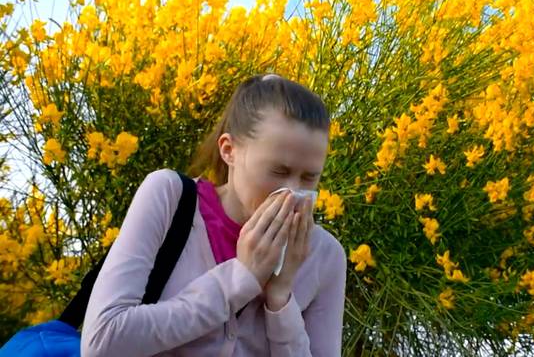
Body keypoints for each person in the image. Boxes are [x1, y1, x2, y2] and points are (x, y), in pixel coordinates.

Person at [81, 74, 347, 356]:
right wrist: (239, 279)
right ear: (229, 151)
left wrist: (281, 300)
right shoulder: (170, 198)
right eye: (279, 171)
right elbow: (102, 342)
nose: (292, 192)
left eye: (309, 178)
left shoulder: (325, 255)